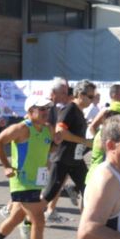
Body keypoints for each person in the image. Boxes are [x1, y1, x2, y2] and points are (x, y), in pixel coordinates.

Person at [0, 95, 60, 239]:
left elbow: (48, 148)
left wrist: (56, 145)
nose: (46, 112)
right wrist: (5, 166)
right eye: (41, 109)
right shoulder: (20, 128)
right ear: (30, 111)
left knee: (15, 219)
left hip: (37, 181)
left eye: (47, 109)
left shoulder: (47, 129)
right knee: (39, 219)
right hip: (22, 180)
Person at [41, 80, 95, 219]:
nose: (92, 100)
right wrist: (85, 142)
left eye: (93, 97)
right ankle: (27, 220)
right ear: (79, 94)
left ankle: (88, 228)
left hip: (75, 160)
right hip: (62, 159)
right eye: (90, 96)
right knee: (49, 194)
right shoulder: (69, 109)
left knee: (89, 190)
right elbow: (61, 132)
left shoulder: (79, 111)